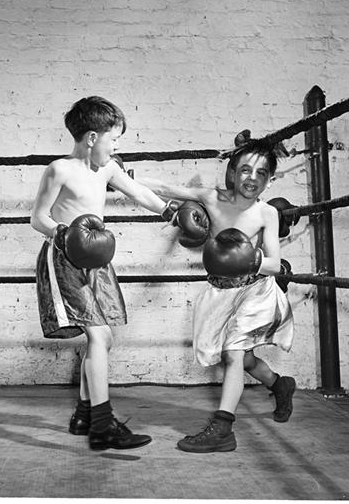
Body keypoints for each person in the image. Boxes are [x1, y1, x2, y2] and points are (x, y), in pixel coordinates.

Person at [30, 96, 175, 451]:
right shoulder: (59, 170)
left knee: (103, 338)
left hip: (96, 257)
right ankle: (102, 424)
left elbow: (139, 192)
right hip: (64, 256)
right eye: (114, 139)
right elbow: (38, 217)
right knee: (98, 336)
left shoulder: (107, 169)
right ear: (92, 137)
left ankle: (84, 415)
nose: (117, 146)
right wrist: (62, 233)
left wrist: (171, 212)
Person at [139, 136, 295, 453]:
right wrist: (122, 177)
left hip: (254, 290)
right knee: (242, 358)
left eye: (262, 173)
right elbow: (166, 189)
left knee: (234, 354)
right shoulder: (212, 198)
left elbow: (275, 264)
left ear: (269, 180)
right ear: (233, 172)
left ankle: (222, 429)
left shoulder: (267, 213)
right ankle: (280, 384)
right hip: (221, 291)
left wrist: (251, 258)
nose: (252, 178)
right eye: (246, 170)